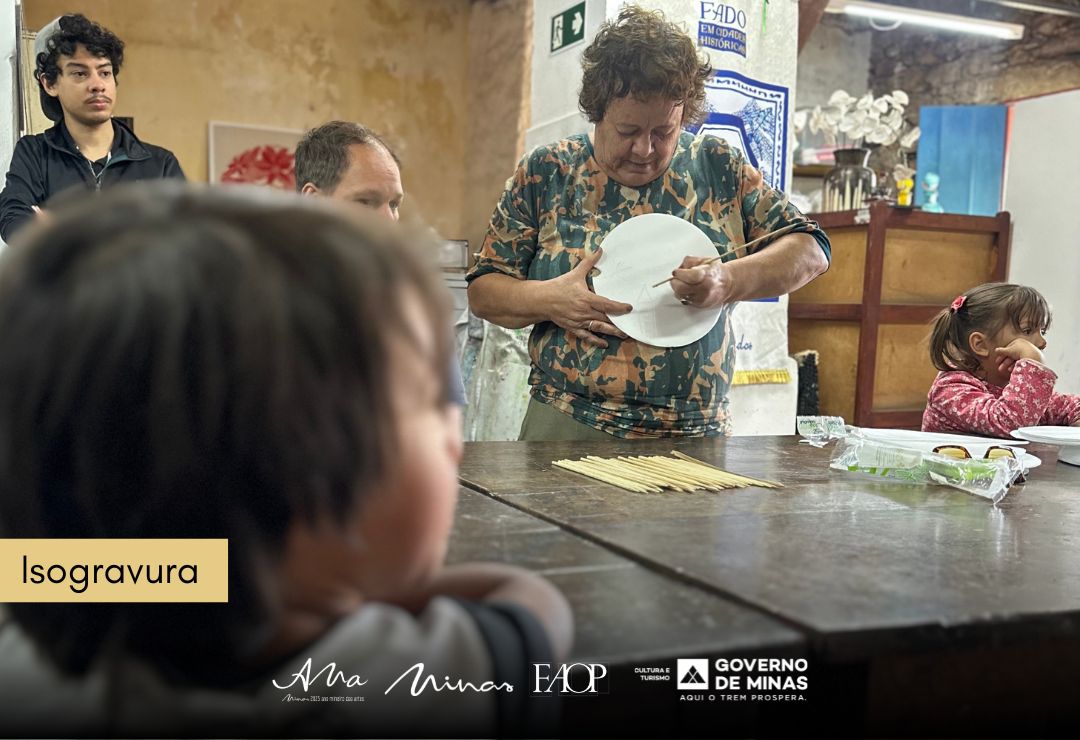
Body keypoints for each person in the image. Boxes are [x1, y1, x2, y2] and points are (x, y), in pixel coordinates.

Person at [0, 183, 571, 737]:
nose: (454, 439)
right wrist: (363, 588)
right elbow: (532, 606)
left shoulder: (24, 668)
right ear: (298, 483)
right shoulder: (403, 683)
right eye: (429, 401)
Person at [467, 6, 831, 441]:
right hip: (567, 421)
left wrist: (727, 280)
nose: (644, 148)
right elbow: (484, 290)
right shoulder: (549, 171)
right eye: (627, 130)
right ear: (598, 111)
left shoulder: (717, 166)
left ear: (685, 115)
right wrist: (549, 299)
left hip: (694, 433)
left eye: (664, 131)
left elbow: (811, 250)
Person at [295, 120, 467, 410]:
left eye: (394, 204)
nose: (388, 221)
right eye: (365, 201)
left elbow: (445, 417)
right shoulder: (258, 298)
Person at [0, 13, 185, 243]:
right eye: (80, 73)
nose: (98, 85)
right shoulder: (35, 153)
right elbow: (14, 220)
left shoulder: (159, 165)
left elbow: (183, 242)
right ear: (49, 83)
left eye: (105, 73)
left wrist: (59, 231)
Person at [922, 282, 1080, 436]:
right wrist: (1032, 361)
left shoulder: (1009, 387)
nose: (1041, 343)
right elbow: (1011, 424)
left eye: (1042, 331)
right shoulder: (950, 389)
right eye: (1027, 330)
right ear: (980, 345)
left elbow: (1066, 405)